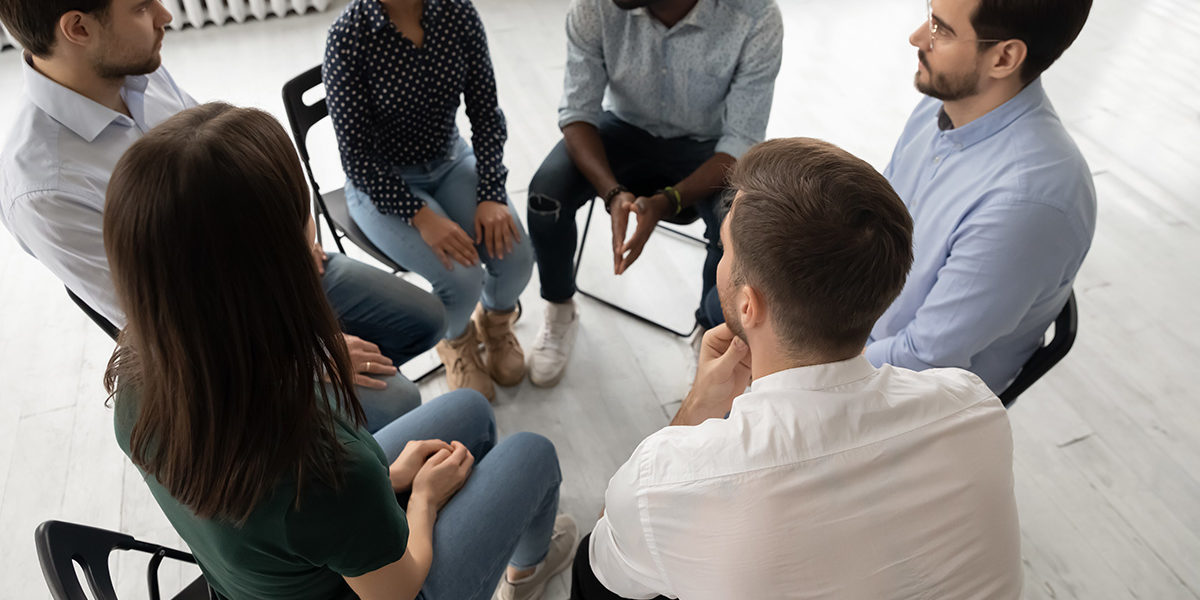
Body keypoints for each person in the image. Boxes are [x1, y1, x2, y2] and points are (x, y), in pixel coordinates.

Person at [103, 103, 578, 600]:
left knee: (471, 411)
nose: (315, 240)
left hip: (266, 575)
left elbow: (282, 516)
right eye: (303, 216)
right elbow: (392, 591)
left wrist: (388, 478)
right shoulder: (325, 467)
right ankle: (526, 574)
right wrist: (422, 501)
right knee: (534, 454)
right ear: (280, 263)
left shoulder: (137, 376)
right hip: (379, 586)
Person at [573, 138, 1022, 599]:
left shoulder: (668, 480)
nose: (721, 264)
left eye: (725, 250)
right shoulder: (974, 406)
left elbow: (604, 571)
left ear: (748, 305)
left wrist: (694, 410)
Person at [0, 0, 444, 431]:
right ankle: (340, 461)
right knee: (400, 399)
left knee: (427, 320)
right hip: (228, 335)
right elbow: (164, 327)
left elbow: (229, 175)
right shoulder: (43, 189)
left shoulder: (136, 71)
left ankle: (346, 435)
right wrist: (306, 356)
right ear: (78, 28)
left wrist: (296, 244)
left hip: (277, 265)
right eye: (141, 7)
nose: (165, 16)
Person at [522, 0, 783, 387]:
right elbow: (578, 112)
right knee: (546, 197)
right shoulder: (595, 8)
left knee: (739, 223)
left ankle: (711, 333)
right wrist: (612, 194)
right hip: (623, 128)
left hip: (708, 147)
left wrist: (668, 201)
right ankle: (559, 308)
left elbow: (741, 142)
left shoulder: (755, 16)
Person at [864, 0, 1096, 393]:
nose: (917, 37)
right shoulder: (942, 104)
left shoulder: (1026, 202)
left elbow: (920, 360)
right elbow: (869, 220)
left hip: (906, 402)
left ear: (1004, 58)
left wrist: (794, 365)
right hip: (852, 331)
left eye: (941, 30)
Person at [323, 0, 534, 401]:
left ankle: (496, 324)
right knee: (462, 276)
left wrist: (491, 193)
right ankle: (456, 340)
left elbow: (486, 112)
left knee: (517, 257)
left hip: (451, 158)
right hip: (383, 183)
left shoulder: (457, 12)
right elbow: (357, 158)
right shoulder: (347, 37)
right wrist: (420, 217)